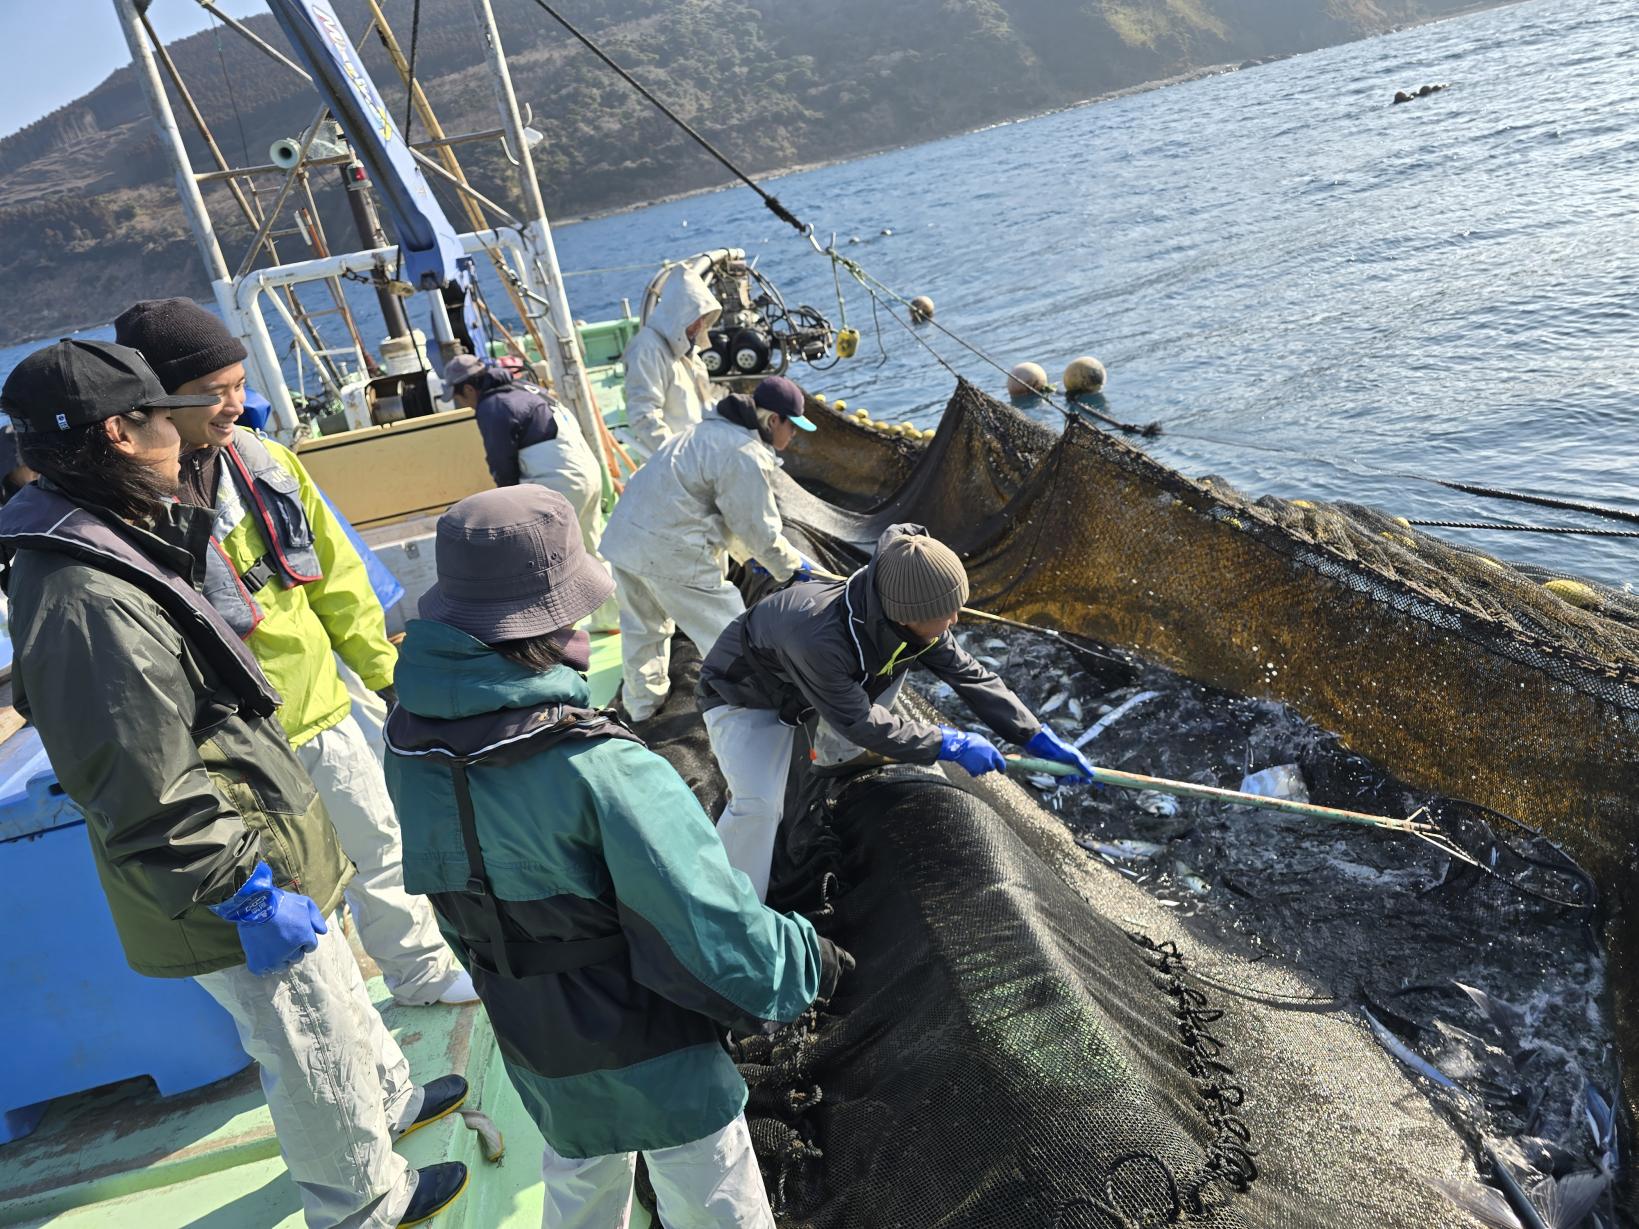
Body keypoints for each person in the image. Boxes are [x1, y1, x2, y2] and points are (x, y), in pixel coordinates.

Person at [0, 339, 468, 1229]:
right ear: (121, 433)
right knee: (305, 1036)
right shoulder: (83, 596)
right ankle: (364, 1200)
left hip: (260, 834)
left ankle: (391, 1098)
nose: (184, 435)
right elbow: (143, 782)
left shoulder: (111, 533)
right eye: (164, 417)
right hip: (227, 868)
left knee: (335, 992)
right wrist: (243, 891)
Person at [381, 485, 851, 1228]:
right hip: (654, 1049)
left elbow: (453, 909)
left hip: (535, 1039)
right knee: (713, 1195)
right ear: (550, 617)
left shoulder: (406, 743)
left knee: (579, 1178)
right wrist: (807, 962)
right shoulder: (603, 766)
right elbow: (710, 930)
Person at [114, 297, 474, 1009]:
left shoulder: (266, 461)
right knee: (291, 880)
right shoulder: (127, 505)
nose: (233, 405)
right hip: (232, 742)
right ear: (156, 399)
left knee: (381, 844)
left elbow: (338, 580)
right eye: (212, 392)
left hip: (322, 707)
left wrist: (386, 678)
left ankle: (421, 972)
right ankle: (337, 1014)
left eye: (239, 385)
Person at [697, 523, 1098, 900]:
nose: (954, 620)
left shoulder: (906, 604)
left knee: (887, 678)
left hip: (812, 691)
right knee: (760, 807)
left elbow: (969, 675)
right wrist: (948, 743)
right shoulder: (816, 636)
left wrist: (1034, 736)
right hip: (743, 694)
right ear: (906, 617)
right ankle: (728, 905)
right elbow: (859, 721)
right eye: (945, 614)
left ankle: (838, 760)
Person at [599, 375, 818, 722]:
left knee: (643, 630)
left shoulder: (706, 432)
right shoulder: (744, 454)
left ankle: (642, 712)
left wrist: (750, 556)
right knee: (732, 634)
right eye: (793, 427)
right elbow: (757, 530)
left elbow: (718, 511)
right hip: (671, 549)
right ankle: (759, 713)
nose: (793, 436)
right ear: (774, 420)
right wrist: (792, 570)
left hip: (626, 539)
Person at [444, 351, 619, 632]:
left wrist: (510, 507)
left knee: (548, 563)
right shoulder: (525, 387)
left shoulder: (492, 406)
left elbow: (501, 462)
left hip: (561, 483)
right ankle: (612, 617)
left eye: (459, 398)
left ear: (468, 388)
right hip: (587, 473)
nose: (464, 404)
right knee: (591, 548)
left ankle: (557, 634)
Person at [621, 263, 721, 459]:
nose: (700, 325)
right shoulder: (646, 349)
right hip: (675, 465)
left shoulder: (688, 351)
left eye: (703, 318)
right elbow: (644, 416)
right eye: (695, 317)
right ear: (680, 313)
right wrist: (681, 459)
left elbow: (705, 401)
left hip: (700, 456)